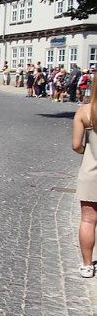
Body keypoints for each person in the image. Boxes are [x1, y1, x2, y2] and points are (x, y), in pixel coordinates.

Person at [72, 82, 97, 278]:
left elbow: (76, 145)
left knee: (88, 220)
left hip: (91, 171)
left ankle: (87, 265)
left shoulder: (85, 112)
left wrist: (87, 152)